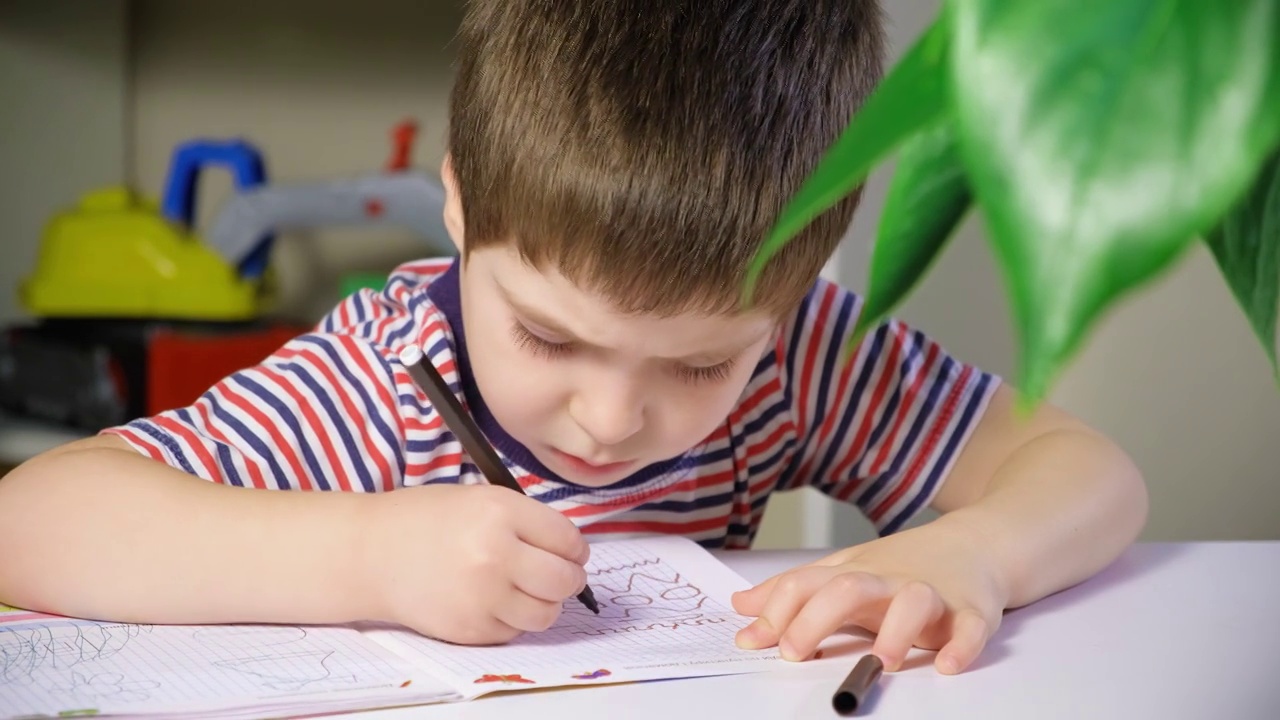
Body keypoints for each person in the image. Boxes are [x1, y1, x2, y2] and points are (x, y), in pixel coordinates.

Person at [0, 0, 1147, 676]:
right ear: (457, 206)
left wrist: (975, 555)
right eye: (548, 339)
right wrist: (366, 557)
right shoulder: (392, 372)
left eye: (700, 364)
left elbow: (1089, 473)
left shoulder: (799, 354)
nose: (613, 418)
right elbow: (32, 522)